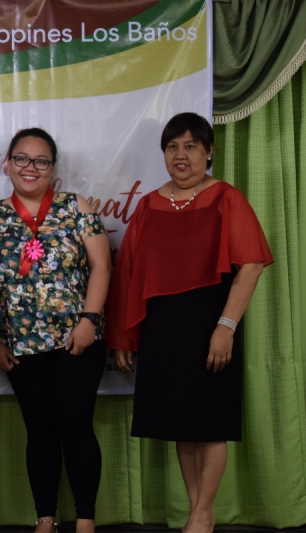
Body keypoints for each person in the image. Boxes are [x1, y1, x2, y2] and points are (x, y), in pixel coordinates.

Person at [107, 113, 273, 533]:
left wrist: (226, 326)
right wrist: (125, 334)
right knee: (182, 421)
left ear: (209, 151)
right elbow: (129, 272)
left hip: (212, 321)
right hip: (163, 326)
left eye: (190, 146)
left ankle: (202, 513)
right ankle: (200, 510)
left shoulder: (226, 198)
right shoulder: (149, 204)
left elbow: (251, 265)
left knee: (211, 418)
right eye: (172, 147)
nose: (181, 155)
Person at [0, 128, 111, 533]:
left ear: (53, 168)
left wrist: (89, 320)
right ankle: (46, 518)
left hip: (78, 339)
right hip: (19, 344)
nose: (30, 168)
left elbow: (103, 267)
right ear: (7, 163)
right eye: (21, 159)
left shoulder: (76, 207)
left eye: (40, 161)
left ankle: (85, 519)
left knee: (74, 423)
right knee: (39, 429)